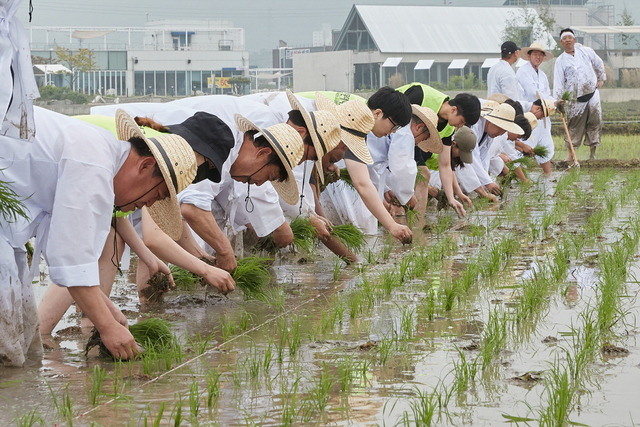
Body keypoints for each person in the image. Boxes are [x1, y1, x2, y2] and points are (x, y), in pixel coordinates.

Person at [0, 108, 198, 365]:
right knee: (9, 346)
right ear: (146, 165)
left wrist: (108, 309)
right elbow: (71, 258)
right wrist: (107, 326)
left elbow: (60, 251)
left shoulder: (99, 155)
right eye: (156, 194)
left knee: (17, 345)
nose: (147, 203)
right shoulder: (94, 163)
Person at [317, 88, 414, 244]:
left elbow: (364, 175)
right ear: (377, 113)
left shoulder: (358, 118)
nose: (392, 133)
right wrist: (392, 226)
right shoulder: (353, 120)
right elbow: (361, 183)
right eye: (394, 126)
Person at [399, 83, 481, 217]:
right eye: (461, 122)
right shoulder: (420, 95)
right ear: (454, 109)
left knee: (423, 175)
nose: (460, 126)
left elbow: (445, 164)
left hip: (414, 142)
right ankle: (415, 223)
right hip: (391, 134)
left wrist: (451, 198)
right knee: (422, 174)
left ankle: (416, 223)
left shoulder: (448, 128)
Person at [553, 28, 606, 160]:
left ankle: (592, 155)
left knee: (594, 122)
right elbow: (558, 81)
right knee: (573, 126)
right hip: (574, 99)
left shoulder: (586, 51)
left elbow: (598, 63)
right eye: (565, 39)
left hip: (592, 93)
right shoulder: (560, 61)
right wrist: (558, 100)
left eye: (569, 38)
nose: (567, 41)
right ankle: (570, 156)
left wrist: (601, 78)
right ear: (561, 42)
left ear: (574, 40)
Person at [517, 42, 556, 174]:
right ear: (529, 56)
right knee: (525, 146)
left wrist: (556, 102)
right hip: (530, 114)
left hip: (543, 116)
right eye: (535, 54)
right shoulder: (523, 72)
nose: (538, 57)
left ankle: (548, 176)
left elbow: (547, 94)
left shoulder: (543, 75)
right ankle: (517, 176)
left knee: (545, 145)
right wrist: (551, 102)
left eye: (540, 55)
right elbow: (534, 93)